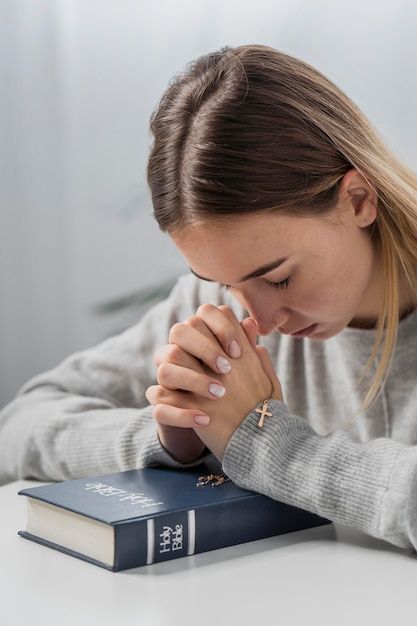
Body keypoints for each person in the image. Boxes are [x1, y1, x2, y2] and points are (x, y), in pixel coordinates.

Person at [2, 44, 417, 553]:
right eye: (224, 284)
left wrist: (265, 445)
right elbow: (21, 423)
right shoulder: (217, 310)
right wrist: (176, 438)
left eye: (279, 278)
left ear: (358, 200)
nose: (258, 321)